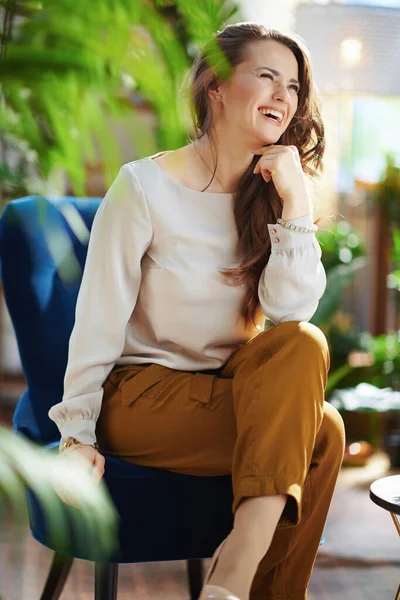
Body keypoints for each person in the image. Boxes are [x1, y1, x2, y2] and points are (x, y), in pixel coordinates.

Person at [49, 22, 345, 600]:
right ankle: (238, 575)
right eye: (266, 76)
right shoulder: (142, 187)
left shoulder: (269, 194)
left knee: (304, 343)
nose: (284, 96)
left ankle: (233, 575)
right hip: (141, 394)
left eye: (293, 85)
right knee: (324, 433)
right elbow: (98, 319)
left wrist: (298, 201)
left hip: (233, 384)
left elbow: (291, 313)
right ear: (215, 85)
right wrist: (75, 436)